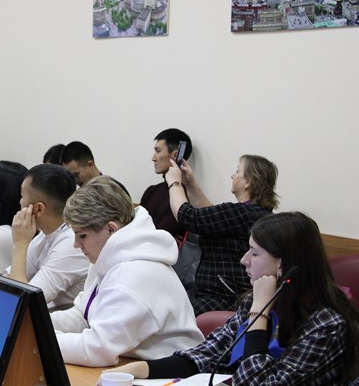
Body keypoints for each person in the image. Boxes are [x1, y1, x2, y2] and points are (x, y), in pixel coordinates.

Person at [102, 212, 359, 385]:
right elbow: (206, 355)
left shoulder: (327, 325)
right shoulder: (256, 301)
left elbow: (258, 383)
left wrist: (259, 314)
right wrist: (141, 369)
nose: (244, 260)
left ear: (284, 265)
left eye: (255, 254)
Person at [50, 176, 203, 367]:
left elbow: (98, 348)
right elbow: (83, 314)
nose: (76, 244)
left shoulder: (134, 275)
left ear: (111, 229)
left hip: (169, 375)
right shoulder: (108, 258)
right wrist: (38, 324)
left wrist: (44, 339)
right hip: (136, 366)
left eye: (82, 236)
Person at [166, 154, 279, 315]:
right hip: (220, 293)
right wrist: (190, 183)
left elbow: (187, 216)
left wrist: (174, 183)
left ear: (248, 181)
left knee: (168, 313)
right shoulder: (253, 212)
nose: (232, 175)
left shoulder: (241, 213)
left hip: (221, 297)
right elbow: (210, 217)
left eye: (238, 171)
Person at [10, 164, 89, 310]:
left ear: (39, 208)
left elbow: (23, 303)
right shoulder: (45, 235)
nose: (20, 202)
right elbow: (7, 280)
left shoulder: (73, 244)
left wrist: (19, 245)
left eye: (22, 196)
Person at [140, 128, 193, 240]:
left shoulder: (183, 198)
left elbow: (160, 235)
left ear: (175, 155)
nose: (153, 158)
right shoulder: (151, 191)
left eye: (158, 151)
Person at [61, 141, 130, 196]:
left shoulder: (114, 190)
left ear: (90, 165)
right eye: (71, 177)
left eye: (76, 175)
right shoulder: (79, 196)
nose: (75, 181)